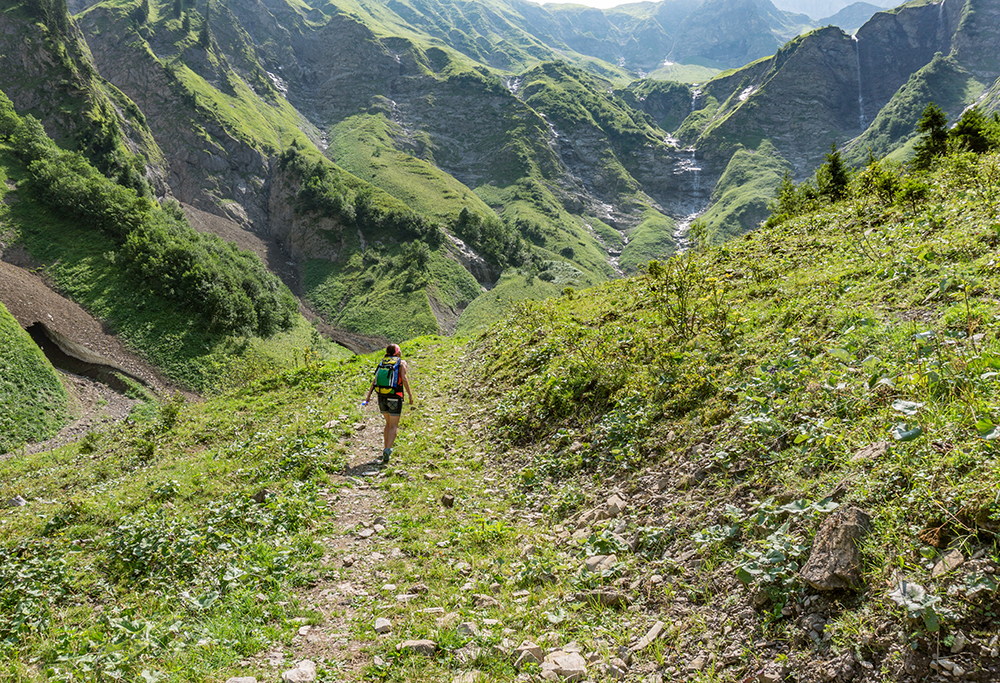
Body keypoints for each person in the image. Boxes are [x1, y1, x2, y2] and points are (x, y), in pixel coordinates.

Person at [363, 343, 413, 463]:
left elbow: (375, 380)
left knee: (388, 423)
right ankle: (387, 449)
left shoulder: (383, 362)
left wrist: (368, 396)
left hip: (381, 396)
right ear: (397, 352)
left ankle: (385, 449)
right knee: (394, 426)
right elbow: (404, 379)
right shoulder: (401, 363)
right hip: (395, 396)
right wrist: (410, 395)